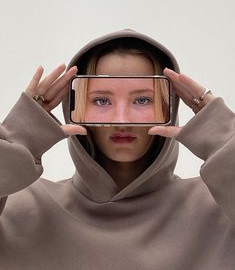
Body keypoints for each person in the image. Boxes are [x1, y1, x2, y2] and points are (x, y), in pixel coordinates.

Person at [0, 29, 234, 269]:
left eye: (142, 100)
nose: (121, 120)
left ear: (170, 107)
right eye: (101, 101)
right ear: (74, 106)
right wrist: (20, 135)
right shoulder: (21, 208)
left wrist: (222, 134)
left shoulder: (219, 209)